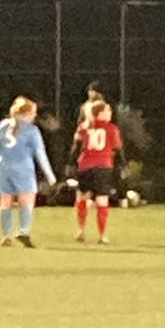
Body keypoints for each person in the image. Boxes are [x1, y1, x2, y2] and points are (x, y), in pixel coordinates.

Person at [0, 96, 56, 247]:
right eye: (33, 113)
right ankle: (24, 231)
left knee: (5, 201)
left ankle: (6, 235)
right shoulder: (32, 131)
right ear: (25, 114)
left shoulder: (2, 125)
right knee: (27, 199)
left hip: (3, 168)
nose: (34, 116)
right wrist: (49, 174)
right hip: (23, 168)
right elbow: (40, 154)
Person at [68, 100, 126, 244]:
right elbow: (118, 149)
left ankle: (81, 230)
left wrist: (70, 164)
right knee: (102, 200)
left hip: (85, 167)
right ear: (99, 114)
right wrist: (123, 166)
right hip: (103, 167)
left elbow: (75, 148)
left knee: (82, 198)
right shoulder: (112, 129)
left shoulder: (84, 127)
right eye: (107, 111)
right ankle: (102, 235)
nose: (110, 113)